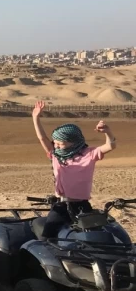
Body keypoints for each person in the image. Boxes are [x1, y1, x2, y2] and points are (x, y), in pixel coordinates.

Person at [31, 100, 116, 237]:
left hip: (82, 206)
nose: (56, 146)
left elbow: (110, 146)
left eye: (61, 144)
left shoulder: (89, 154)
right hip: (62, 206)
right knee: (48, 236)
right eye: (55, 143)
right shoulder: (55, 155)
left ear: (74, 142)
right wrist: (36, 117)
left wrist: (108, 132)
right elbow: (42, 138)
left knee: (94, 237)